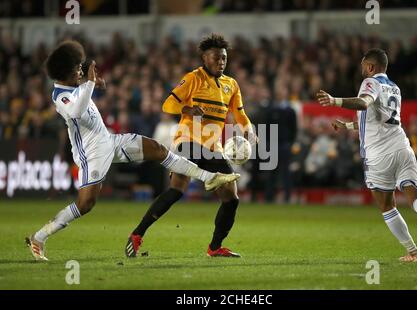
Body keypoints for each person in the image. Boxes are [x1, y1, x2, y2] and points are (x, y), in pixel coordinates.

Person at [25, 40, 239, 261]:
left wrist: (91, 84)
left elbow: (81, 96)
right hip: (92, 154)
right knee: (86, 204)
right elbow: (77, 112)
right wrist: (89, 84)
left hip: (110, 141)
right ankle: (39, 236)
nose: (81, 70)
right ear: (64, 73)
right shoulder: (60, 96)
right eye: (77, 68)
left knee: (157, 149)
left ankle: (209, 177)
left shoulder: (73, 87)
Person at [125, 34, 257, 258]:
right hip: (188, 142)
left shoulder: (231, 85)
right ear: (205, 58)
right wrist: (187, 110)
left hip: (213, 148)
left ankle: (214, 247)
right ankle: (137, 235)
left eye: (224, 58)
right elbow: (168, 104)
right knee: (177, 191)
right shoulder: (193, 78)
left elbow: (240, 114)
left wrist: (249, 131)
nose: (221, 62)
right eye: (216, 58)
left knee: (231, 198)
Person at [316, 48, 417, 262]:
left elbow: (363, 103)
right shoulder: (395, 88)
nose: (362, 69)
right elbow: (376, 119)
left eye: (364, 65)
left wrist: (334, 101)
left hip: (379, 154)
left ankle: (414, 252)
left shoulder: (371, 82)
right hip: (402, 146)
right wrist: (347, 125)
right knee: (415, 194)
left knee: (387, 206)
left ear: (371, 67)